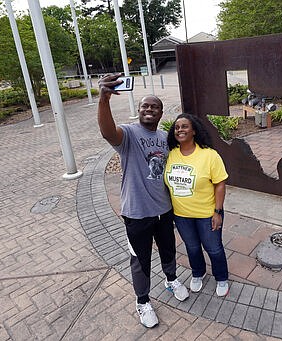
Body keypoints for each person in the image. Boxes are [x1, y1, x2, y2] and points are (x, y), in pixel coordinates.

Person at [97, 74, 189, 328]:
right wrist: (103, 99)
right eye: (145, 106)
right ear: (139, 110)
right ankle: (143, 300)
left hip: (163, 210)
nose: (149, 109)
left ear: (161, 113)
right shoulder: (128, 134)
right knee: (141, 258)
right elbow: (107, 131)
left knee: (169, 250)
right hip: (136, 213)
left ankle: (171, 280)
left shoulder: (164, 139)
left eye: (154, 106)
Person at [164, 113, 230, 297]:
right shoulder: (171, 154)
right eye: (177, 127)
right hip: (181, 214)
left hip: (207, 213)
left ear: (194, 131)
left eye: (185, 126)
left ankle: (221, 277)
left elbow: (220, 184)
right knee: (192, 247)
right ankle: (198, 273)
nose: (180, 130)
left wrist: (217, 212)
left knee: (213, 247)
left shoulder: (209, 155)